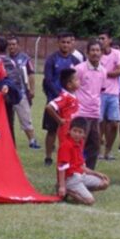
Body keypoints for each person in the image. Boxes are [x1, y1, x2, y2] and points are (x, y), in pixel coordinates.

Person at [41, 31, 80, 165]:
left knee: (70, 130)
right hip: (55, 100)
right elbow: (48, 80)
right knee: (51, 130)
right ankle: (48, 156)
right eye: (63, 42)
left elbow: (77, 80)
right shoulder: (51, 59)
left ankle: (69, 156)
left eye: (68, 42)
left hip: (69, 104)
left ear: (72, 43)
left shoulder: (75, 61)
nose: (65, 45)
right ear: (58, 43)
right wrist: (60, 95)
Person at [56, 118, 110, 205]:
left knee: (104, 182)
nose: (77, 134)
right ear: (69, 131)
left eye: (80, 132)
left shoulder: (80, 143)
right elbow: (62, 167)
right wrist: (62, 186)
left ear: (84, 134)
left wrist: (96, 173)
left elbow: (81, 166)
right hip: (71, 178)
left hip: (81, 175)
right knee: (90, 201)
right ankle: (67, 189)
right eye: (75, 131)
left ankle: (80, 190)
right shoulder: (66, 145)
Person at [0, 36, 39, 148]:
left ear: (18, 45)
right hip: (6, 94)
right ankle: (8, 142)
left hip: (21, 93)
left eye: (14, 44)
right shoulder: (4, 58)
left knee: (25, 117)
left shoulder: (25, 58)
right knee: (7, 119)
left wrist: (32, 89)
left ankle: (32, 140)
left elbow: (31, 74)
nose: (11, 46)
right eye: (10, 44)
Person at [73, 41, 106, 169]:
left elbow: (101, 90)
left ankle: (89, 170)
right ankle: (75, 169)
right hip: (81, 112)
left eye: (98, 50)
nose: (95, 53)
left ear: (101, 53)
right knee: (79, 143)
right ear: (87, 53)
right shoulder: (79, 69)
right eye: (92, 50)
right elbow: (73, 88)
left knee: (95, 144)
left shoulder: (103, 70)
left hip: (95, 113)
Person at [98, 30, 120, 161]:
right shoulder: (96, 53)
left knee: (114, 123)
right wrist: (112, 72)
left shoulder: (116, 53)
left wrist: (105, 73)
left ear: (109, 40)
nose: (101, 41)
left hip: (113, 93)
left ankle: (108, 150)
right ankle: (99, 150)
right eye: (99, 38)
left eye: (103, 38)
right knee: (99, 123)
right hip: (99, 93)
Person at [45, 69, 80, 149]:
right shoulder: (65, 97)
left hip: (74, 129)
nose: (79, 81)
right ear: (69, 85)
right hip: (66, 130)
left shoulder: (73, 95)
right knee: (66, 149)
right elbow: (49, 107)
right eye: (76, 80)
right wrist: (59, 120)